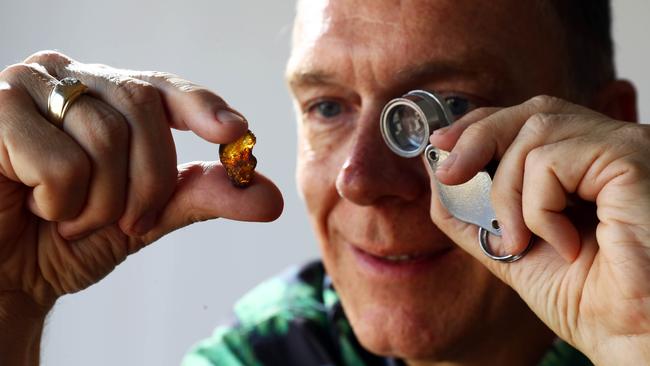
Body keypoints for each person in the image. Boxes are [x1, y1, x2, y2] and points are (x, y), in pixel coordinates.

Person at [1, 0, 648, 365]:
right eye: (328, 107)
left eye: (443, 110)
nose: (360, 181)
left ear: (605, 122)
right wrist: (9, 304)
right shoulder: (279, 349)